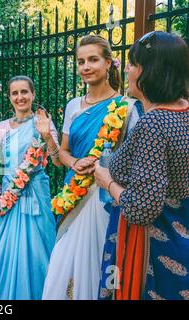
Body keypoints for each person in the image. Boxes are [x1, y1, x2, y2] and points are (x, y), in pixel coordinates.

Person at [42, 35, 143, 300]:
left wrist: (106, 168)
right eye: (81, 61)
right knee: (62, 260)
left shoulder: (128, 108)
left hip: (105, 200)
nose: (86, 66)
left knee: (103, 264)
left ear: (109, 63)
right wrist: (75, 162)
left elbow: (135, 162)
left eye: (93, 60)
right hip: (73, 195)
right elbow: (62, 153)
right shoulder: (74, 105)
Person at [94, 31, 189, 300]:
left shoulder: (153, 124)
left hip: (151, 248)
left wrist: (107, 181)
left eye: (133, 63)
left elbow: (142, 208)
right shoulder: (184, 111)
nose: (126, 68)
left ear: (150, 71)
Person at [0, 75, 61, 300]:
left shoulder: (43, 122)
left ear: (33, 94)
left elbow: (57, 161)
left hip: (36, 192)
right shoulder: (3, 126)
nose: (20, 97)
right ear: (9, 97)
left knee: (38, 245)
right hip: (9, 194)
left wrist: (47, 137)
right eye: (15, 93)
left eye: (24, 92)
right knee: (5, 246)